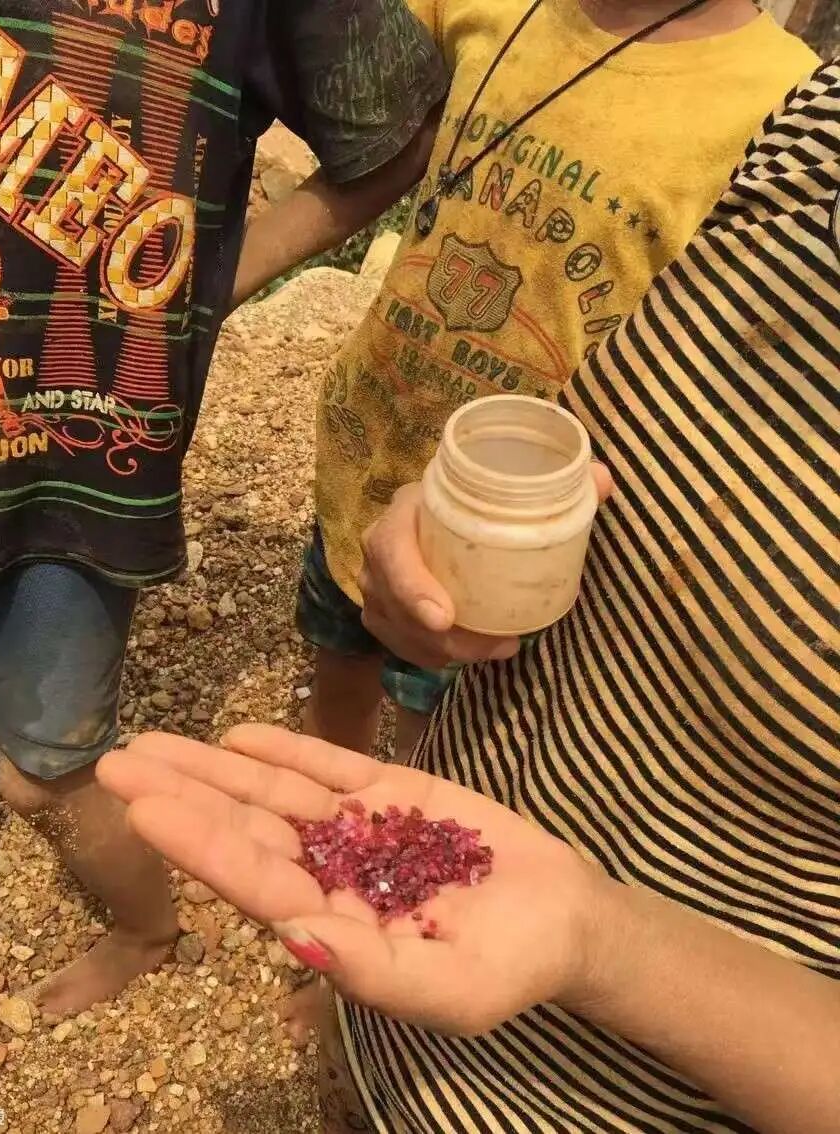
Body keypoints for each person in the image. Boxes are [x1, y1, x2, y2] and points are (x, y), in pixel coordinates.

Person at [100, 59, 840, 1133]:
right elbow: (607, 448)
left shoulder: (758, 86)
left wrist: (601, 941)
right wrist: (449, 529)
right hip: (411, 947)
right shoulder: (819, 124)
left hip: (618, 1099)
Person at [0, 0, 448, 1018]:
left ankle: (145, 928)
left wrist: (213, 285)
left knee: (50, 768)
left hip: (71, 459)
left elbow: (396, 131)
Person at [250, 0, 817, 764]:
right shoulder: (480, 7)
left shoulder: (788, 107)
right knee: (339, 675)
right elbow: (373, 110)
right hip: (368, 452)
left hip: (519, 531)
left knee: (441, 752)